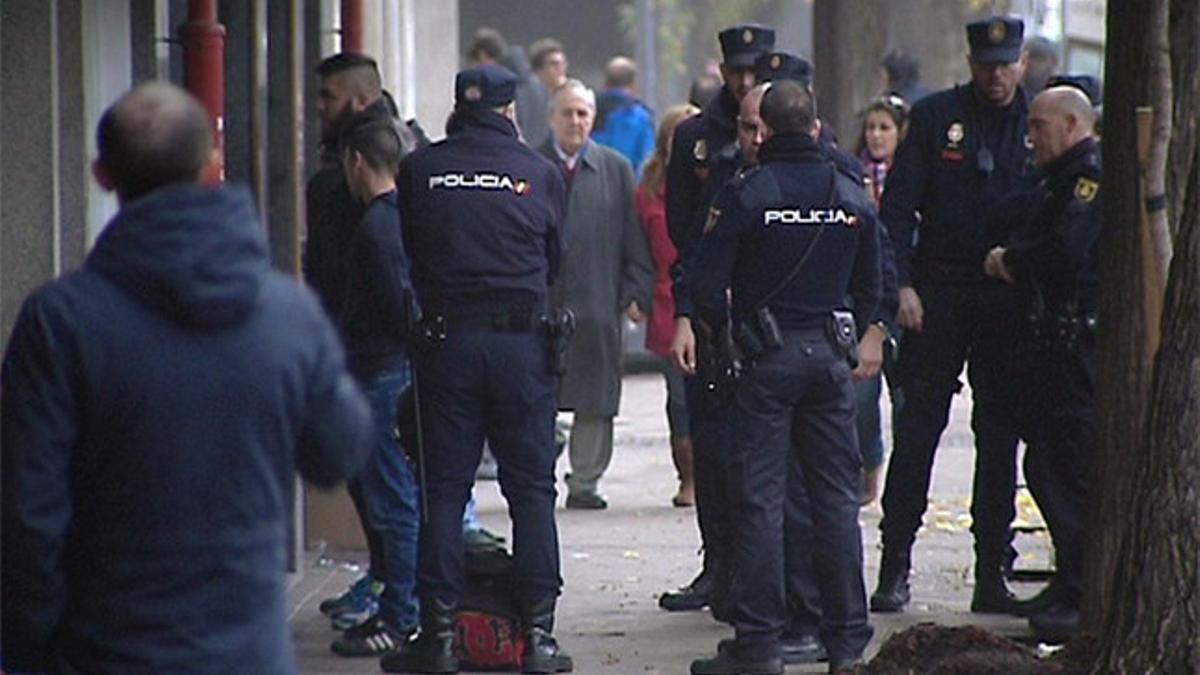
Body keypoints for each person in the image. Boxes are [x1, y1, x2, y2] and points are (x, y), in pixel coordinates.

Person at [0, 82, 373, 675]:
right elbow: (339, 450)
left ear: (102, 175)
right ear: (212, 165)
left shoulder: (60, 322)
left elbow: (26, 512)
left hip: (102, 648)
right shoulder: (284, 313)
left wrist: (32, 642)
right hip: (245, 649)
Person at [381, 64, 572, 674]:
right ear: (511, 111)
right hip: (522, 348)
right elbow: (554, 257)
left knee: (443, 493)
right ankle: (539, 638)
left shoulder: (419, 168)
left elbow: (410, 246)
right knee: (532, 493)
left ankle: (436, 637)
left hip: (448, 345)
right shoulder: (540, 172)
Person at [688, 80, 880, 675]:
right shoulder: (849, 192)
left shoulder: (747, 193)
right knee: (834, 504)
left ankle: (760, 645)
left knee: (760, 504)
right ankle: (847, 642)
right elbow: (871, 285)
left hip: (765, 362)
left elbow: (703, 287)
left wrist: (728, 331)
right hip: (828, 359)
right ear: (817, 128)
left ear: (764, 130)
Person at [872, 16, 1036, 615]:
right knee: (917, 434)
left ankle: (992, 570)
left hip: (1005, 301)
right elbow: (895, 213)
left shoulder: (1033, 120)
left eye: (1006, 64)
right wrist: (902, 287)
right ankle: (895, 565)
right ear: (971, 64)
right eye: (987, 64)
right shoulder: (938, 117)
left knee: (999, 438)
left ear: (1020, 64)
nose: (997, 75)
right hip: (937, 294)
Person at [305, 52, 422, 644]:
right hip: (380, 365)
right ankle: (402, 601)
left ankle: (403, 613)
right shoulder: (393, 216)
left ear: (358, 162)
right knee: (390, 491)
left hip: (377, 368)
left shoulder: (377, 226)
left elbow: (395, 304)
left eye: (326, 98)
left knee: (390, 494)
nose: (316, 110)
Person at [660, 22, 775, 618]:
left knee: (763, 455)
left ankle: (763, 577)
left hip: (771, 313)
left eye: (757, 70)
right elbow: (683, 235)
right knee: (711, 444)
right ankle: (718, 567)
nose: (747, 81)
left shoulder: (794, 126)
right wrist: (687, 310)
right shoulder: (696, 138)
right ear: (723, 70)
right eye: (738, 71)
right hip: (711, 314)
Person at [983, 85, 1101, 643]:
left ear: (1074, 124)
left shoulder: (1087, 178)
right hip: (1050, 346)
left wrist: (1012, 260)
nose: (1030, 137)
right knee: (1045, 466)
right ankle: (1069, 580)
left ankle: (1082, 591)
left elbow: (1064, 250)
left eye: (1039, 126)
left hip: (1079, 349)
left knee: (1068, 470)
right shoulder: (1054, 178)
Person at [540, 79, 655, 510]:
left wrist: (635, 291)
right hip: (542, 305)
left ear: (593, 119)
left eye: (582, 113)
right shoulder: (532, 164)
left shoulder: (616, 169)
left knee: (595, 398)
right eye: (567, 113)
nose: (575, 121)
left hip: (597, 302)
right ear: (552, 118)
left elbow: (633, 240)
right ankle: (538, 473)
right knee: (537, 395)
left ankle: (584, 482)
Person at [635, 103, 700, 507]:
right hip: (665, 301)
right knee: (678, 397)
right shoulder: (648, 187)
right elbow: (638, 248)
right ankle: (688, 476)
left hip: (708, 298)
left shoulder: (715, 175)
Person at [854, 94, 909, 503]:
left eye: (884, 128)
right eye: (871, 127)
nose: (876, 136)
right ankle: (868, 466)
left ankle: (903, 479)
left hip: (905, 303)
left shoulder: (909, 178)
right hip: (866, 300)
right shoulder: (853, 177)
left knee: (906, 395)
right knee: (862, 399)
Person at [592, 56, 656, 175]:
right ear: (633, 84)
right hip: (627, 185)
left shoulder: (586, 111)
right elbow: (645, 160)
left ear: (605, 83)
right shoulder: (641, 117)